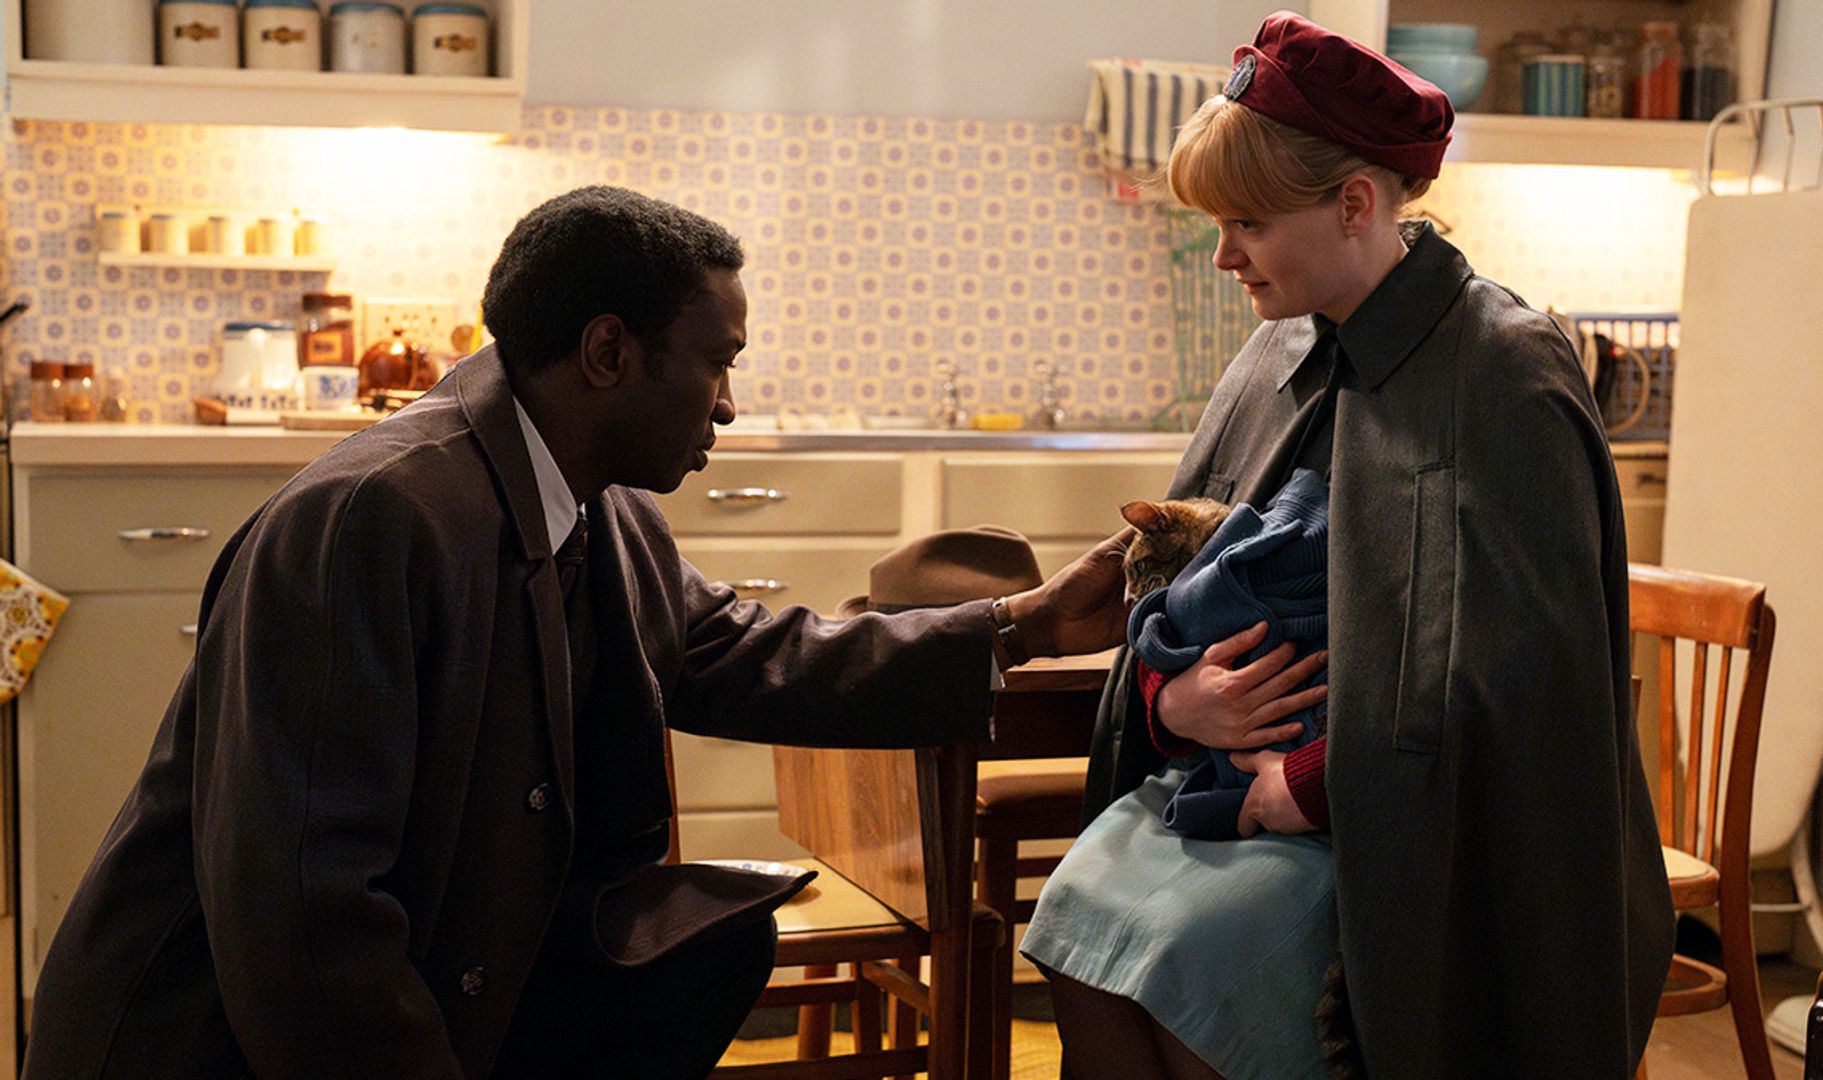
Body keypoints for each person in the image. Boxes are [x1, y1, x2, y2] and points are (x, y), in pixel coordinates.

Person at [23, 185, 1131, 1080]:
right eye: (718, 363)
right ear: (608, 353)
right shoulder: (372, 520)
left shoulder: (601, 504)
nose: (729, 405)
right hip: (219, 1047)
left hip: (449, 973)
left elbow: (745, 653)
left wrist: (1022, 625)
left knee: (710, 941)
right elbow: (306, 921)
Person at [1021, 13, 1672, 1079]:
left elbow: (1517, 687)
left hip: (1408, 834)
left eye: (1248, 223)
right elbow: (1180, 587)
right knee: (1072, 921)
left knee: (1191, 957)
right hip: (1243, 787)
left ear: (1356, 203)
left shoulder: (1502, 372)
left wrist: (1316, 783)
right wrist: (1174, 700)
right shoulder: (1277, 347)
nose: (1224, 255)